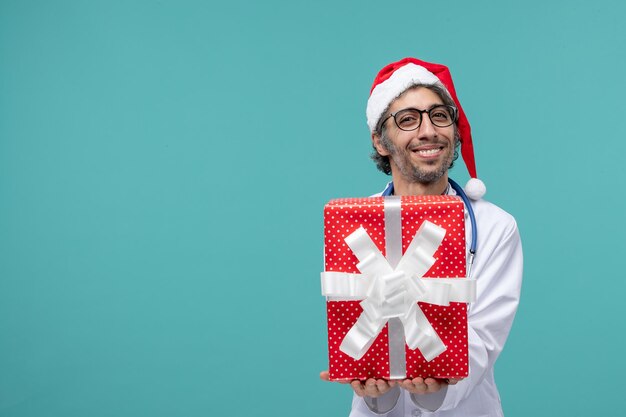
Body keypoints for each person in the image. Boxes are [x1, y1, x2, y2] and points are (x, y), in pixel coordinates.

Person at [320, 57, 523, 417]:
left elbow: (483, 339)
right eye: (408, 119)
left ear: (455, 130)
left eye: (440, 115)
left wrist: (437, 389)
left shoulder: (494, 226)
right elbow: (353, 317)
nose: (428, 131)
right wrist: (374, 392)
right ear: (380, 141)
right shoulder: (351, 223)